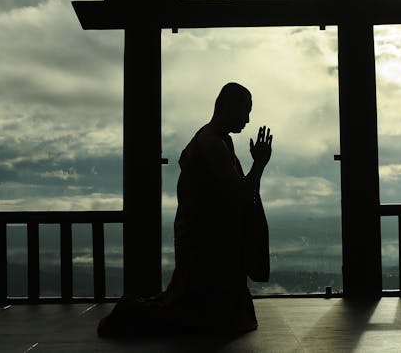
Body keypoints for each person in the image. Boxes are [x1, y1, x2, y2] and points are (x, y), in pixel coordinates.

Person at [98, 82, 273, 336]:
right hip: (205, 246)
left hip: (210, 240)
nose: (247, 119)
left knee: (205, 314)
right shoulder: (213, 144)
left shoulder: (219, 140)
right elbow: (238, 195)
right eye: (244, 110)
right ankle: (130, 312)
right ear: (225, 107)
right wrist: (259, 164)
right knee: (190, 315)